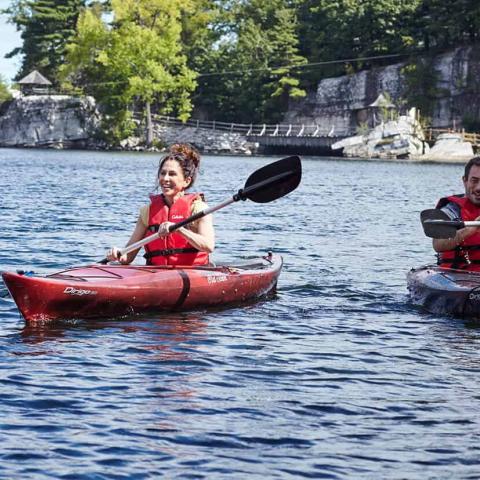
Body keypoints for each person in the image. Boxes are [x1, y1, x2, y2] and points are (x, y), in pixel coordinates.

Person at [106, 143, 215, 265]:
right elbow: (129, 256)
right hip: (157, 274)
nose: (165, 178)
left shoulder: (198, 209)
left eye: (172, 174)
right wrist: (119, 253)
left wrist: (179, 230)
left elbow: (208, 246)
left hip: (194, 273)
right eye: (163, 173)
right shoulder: (147, 212)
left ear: (186, 181)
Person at [433, 156, 480, 270]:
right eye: (474, 181)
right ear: (465, 181)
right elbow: (438, 244)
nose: (479, 187)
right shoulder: (451, 210)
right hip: (458, 278)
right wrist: (471, 229)